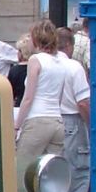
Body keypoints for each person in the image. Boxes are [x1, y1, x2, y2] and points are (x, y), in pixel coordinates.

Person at [55, 27, 94, 192]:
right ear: (69, 45)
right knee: (77, 170)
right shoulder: (73, 67)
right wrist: (91, 126)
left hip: (53, 119)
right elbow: (83, 102)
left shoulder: (46, 64)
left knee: (57, 169)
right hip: (72, 121)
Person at [14, 19, 66, 162]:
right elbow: (60, 97)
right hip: (57, 121)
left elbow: (28, 98)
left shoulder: (35, 60)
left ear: (36, 39)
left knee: (22, 170)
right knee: (50, 173)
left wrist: (16, 126)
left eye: (30, 37)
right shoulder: (60, 62)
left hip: (38, 119)